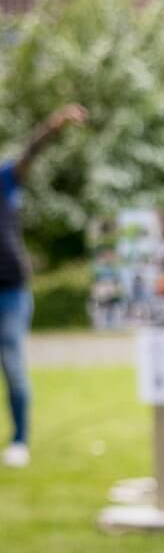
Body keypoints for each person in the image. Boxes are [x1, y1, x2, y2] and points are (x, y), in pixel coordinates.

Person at [0, 104, 87, 467]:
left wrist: (54, 124)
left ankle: (19, 440)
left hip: (10, 291)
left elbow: (29, 153)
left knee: (12, 365)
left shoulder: (4, 180)